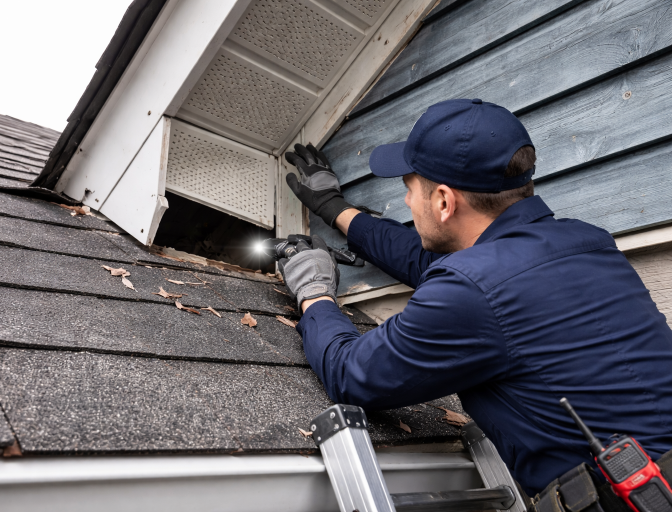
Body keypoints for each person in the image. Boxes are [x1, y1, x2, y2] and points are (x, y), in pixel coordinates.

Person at [279, 99, 672, 503]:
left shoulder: (473, 291)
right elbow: (425, 256)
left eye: (409, 191)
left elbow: (352, 373)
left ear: (445, 202)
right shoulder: (587, 241)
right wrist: (333, 208)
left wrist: (314, 293)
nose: (408, 204)